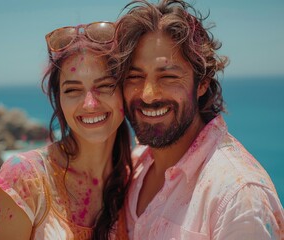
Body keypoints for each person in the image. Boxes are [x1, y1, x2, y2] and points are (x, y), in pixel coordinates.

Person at [113, 0, 284, 239]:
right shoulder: (135, 165)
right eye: (134, 77)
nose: (148, 94)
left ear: (202, 82)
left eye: (168, 77)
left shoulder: (236, 197)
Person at [0, 21, 132, 240]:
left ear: (124, 91)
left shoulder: (132, 181)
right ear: (58, 100)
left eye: (105, 85)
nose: (90, 104)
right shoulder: (25, 178)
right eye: (72, 90)